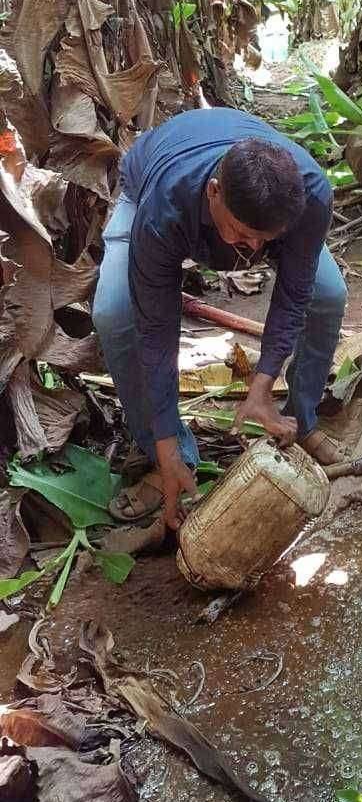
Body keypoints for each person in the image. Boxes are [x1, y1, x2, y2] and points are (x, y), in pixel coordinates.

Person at [92, 108, 347, 530]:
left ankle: (300, 420)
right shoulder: (164, 208)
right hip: (151, 182)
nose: (251, 250)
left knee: (329, 295)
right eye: (242, 234)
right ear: (214, 192)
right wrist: (165, 443)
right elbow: (157, 330)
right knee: (114, 313)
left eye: (267, 240)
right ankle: (168, 455)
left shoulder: (311, 191)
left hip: (245, 192)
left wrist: (263, 382)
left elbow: (295, 292)